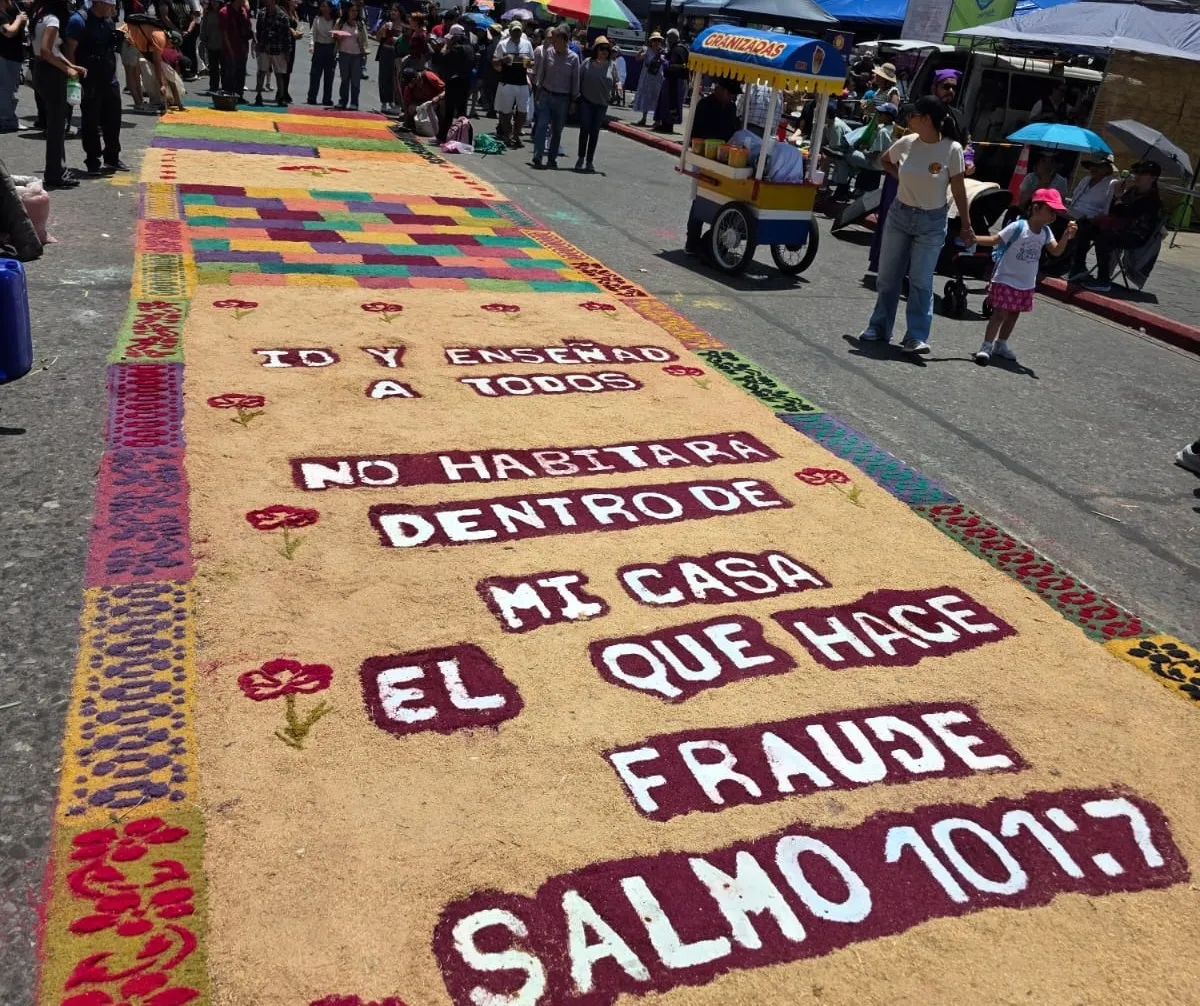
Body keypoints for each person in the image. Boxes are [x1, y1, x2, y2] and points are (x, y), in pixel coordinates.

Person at [859, 95, 974, 354]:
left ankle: (916, 336)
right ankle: (879, 327)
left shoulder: (952, 149)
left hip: (932, 221)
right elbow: (885, 160)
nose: (907, 118)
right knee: (889, 277)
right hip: (900, 215)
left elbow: (958, 188)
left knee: (921, 280)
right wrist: (903, 178)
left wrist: (966, 225)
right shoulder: (907, 142)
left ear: (926, 119)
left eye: (912, 114)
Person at [971, 188, 1076, 365]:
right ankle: (986, 346)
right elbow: (996, 239)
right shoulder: (1018, 227)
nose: (1053, 216)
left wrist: (1066, 236)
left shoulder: (1046, 233)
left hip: (1025, 282)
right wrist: (974, 238)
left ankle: (1001, 343)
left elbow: (1056, 251)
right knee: (999, 314)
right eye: (1050, 210)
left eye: (1055, 212)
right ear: (1036, 208)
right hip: (1006, 278)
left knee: (1014, 314)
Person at [1069, 160, 1163, 293]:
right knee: (1085, 227)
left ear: (1153, 178)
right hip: (1118, 229)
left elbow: (1127, 213)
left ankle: (1103, 279)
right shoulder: (1132, 192)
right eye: (1137, 172)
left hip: (1135, 235)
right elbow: (1115, 211)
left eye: (1143, 173)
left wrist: (1118, 198)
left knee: (1104, 239)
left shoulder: (1152, 200)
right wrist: (1116, 197)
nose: (1138, 176)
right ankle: (1079, 267)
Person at [64, 0, 127, 176]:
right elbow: (71, 50)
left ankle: (112, 157)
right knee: (91, 122)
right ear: (99, 3)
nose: (114, 9)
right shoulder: (79, 20)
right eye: (110, 5)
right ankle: (92, 161)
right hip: (88, 78)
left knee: (113, 120)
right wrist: (74, 79)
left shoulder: (107, 21)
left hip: (108, 78)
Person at [32, 0, 85, 188]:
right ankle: (55, 173)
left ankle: (58, 170)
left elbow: (52, 50)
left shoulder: (39, 15)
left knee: (56, 123)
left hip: (41, 69)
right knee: (57, 126)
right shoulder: (53, 20)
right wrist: (66, 69)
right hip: (50, 73)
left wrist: (71, 65)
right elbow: (47, 51)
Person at [684, 78, 740, 255]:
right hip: (704, 157)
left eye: (734, 95)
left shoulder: (732, 108)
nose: (731, 98)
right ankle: (691, 242)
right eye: (730, 93)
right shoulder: (705, 105)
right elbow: (696, 133)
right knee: (700, 198)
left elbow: (733, 133)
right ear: (720, 89)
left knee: (725, 199)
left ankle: (716, 242)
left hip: (724, 159)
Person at [530, 23, 578, 169]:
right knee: (542, 126)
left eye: (555, 39)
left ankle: (552, 158)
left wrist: (573, 101)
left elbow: (575, 81)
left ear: (564, 40)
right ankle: (537, 156)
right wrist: (537, 92)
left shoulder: (574, 58)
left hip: (562, 99)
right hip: (546, 94)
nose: (553, 42)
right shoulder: (549, 53)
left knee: (557, 130)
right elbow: (542, 74)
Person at [575, 34, 616, 172]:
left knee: (594, 132)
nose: (604, 51)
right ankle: (581, 157)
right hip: (586, 101)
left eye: (606, 49)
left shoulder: (612, 65)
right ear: (596, 50)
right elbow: (578, 80)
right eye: (601, 48)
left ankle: (589, 160)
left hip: (602, 104)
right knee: (585, 129)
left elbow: (618, 80)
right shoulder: (586, 62)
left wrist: (620, 85)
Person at [492, 20, 531, 148]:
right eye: (514, 31)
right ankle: (507, 134)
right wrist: (504, 59)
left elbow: (533, 62)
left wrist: (528, 62)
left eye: (518, 31)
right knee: (505, 111)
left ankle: (516, 134)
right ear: (510, 31)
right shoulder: (502, 44)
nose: (516, 33)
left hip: (522, 82)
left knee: (523, 111)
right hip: (507, 81)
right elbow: (494, 62)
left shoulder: (527, 44)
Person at [435, 21, 471, 141]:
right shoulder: (469, 48)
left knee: (449, 111)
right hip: (465, 82)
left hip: (454, 82)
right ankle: (464, 136)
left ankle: (442, 136)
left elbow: (442, 59)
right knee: (462, 111)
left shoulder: (455, 50)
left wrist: (446, 46)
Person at [252, 0, 290, 105]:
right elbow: (258, 31)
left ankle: (281, 97)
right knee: (261, 72)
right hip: (264, 48)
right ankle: (258, 95)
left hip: (278, 49)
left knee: (279, 74)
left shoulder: (282, 16)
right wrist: (259, 44)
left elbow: (286, 36)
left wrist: (287, 52)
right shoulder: (261, 14)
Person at [333, 0, 366, 109]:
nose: (354, 13)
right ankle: (343, 101)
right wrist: (338, 36)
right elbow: (334, 34)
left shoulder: (360, 24)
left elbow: (364, 40)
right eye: (352, 11)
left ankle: (354, 102)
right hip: (344, 53)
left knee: (355, 80)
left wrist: (364, 51)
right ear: (347, 11)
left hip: (356, 55)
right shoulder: (341, 22)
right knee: (345, 79)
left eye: (356, 11)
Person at [0, 0, 27, 133]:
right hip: (5, 56)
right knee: (5, 90)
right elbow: (8, 31)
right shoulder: (1, 15)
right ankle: (6, 120)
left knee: (10, 89)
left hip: (13, 56)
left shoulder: (8, 12)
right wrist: (18, 19)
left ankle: (10, 118)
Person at [1068, 153, 1120, 221]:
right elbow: (1074, 199)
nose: (1093, 168)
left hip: (1089, 223)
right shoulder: (1085, 179)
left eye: (1098, 166)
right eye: (1092, 165)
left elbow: (1106, 211)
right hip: (1071, 216)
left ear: (1108, 169)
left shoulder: (1112, 184)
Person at [653, 25, 686, 133]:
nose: (667, 40)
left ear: (673, 38)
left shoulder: (678, 49)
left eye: (668, 37)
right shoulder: (675, 49)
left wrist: (664, 61)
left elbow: (676, 65)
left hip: (675, 81)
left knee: (670, 103)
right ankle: (664, 123)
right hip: (672, 80)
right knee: (666, 102)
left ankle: (668, 125)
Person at [219, 0, 251, 101]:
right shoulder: (224, 12)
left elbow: (247, 27)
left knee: (241, 72)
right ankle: (228, 95)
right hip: (231, 47)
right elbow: (224, 33)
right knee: (230, 72)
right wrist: (230, 50)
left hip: (243, 46)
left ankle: (239, 95)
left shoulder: (243, 11)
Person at [631, 30, 662, 127]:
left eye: (658, 40)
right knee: (645, 97)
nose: (656, 42)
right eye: (654, 40)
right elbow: (638, 58)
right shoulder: (647, 50)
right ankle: (644, 118)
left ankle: (657, 120)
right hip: (647, 77)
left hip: (657, 77)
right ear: (651, 41)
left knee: (656, 98)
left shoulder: (662, 51)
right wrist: (641, 50)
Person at [374, 2, 401, 112]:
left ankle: (394, 102)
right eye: (392, 10)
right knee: (384, 77)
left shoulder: (404, 25)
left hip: (397, 53)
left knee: (394, 78)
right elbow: (377, 37)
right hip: (385, 51)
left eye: (395, 10)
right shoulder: (386, 23)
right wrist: (382, 30)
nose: (393, 12)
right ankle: (384, 102)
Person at [306, 0, 334, 104]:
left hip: (330, 48)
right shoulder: (317, 19)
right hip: (319, 46)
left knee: (329, 75)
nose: (323, 8)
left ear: (330, 8)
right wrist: (312, 45)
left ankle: (327, 98)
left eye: (325, 6)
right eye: (322, 6)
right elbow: (312, 33)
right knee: (315, 74)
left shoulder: (335, 21)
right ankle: (312, 97)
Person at [200, 0, 223, 93]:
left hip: (223, 45)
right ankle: (213, 87)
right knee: (213, 68)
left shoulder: (223, 12)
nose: (214, 3)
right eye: (213, 1)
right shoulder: (208, 13)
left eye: (216, 2)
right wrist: (203, 38)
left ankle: (225, 87)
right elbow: (204, 27)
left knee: (224, 68)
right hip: (211, 44)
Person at [479, 21, 500, 116]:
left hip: (491, 71)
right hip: (495, 71)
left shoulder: (494, 43)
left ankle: (492, 109)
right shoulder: (496, 42)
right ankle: (492, 108)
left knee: (490, 91)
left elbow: (489, 57)